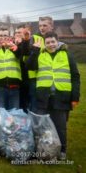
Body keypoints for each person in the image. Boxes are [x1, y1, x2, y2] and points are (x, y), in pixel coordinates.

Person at [26, 32, 80, 160]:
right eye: (48, 42)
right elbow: (29, 66)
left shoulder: (67, 55)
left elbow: (75, 76)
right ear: (45, 43)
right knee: (42, 126)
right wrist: (34, 50)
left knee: (60, 126)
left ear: (58, 42)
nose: (50, 45)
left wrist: (75, 96)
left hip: (61, 96)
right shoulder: (40, 55)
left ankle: (62, 150)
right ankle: (43, 150)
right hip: (43, 96)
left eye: (53, 42)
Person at [0, 27, 29, 110]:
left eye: (5, 35)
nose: (3, 37)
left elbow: (21, 53)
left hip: (14, 85)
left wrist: (12, 47)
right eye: (1, 35)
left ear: (9, 37)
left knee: (14, 112)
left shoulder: (15, 47)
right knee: (2, 112)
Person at [27, 16, 54, 111]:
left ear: (51, 26)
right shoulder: (34, 38)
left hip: (50, 77)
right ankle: (35, 125)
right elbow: (29, 56)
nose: (42, 28)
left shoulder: (54, 40)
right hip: (35, 77)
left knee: (50, 106)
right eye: (40, 26)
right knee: (35, 105)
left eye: (45, 25)